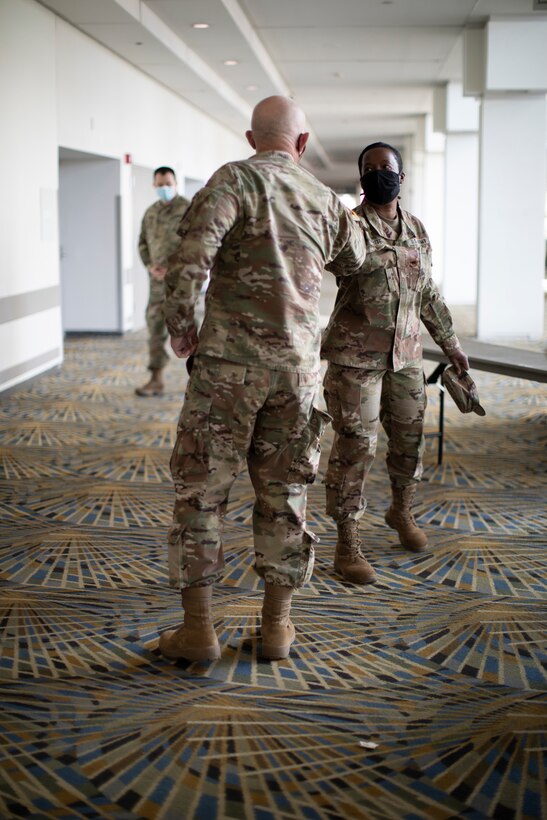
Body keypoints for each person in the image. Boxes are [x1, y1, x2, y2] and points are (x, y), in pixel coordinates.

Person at [158, 96, 367, 662]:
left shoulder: (233, 181)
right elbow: (357, 267)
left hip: (228, 368)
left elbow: (188, 262)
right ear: (302, 145)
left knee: (201, 492)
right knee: (286, 493)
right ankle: (277, 627)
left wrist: (183, 330)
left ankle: (199, 631)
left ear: (252, 140)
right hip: (296, 374)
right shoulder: (325, 200)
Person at [321, 141, 469, 584]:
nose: (378, 174)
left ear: (401, 178)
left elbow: (427, 293)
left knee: (409, 439)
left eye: (386, 168)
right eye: (369, 168)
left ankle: (400, 510)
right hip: (355, 360)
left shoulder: (417, 230)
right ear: (362, 177)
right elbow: (328, 264)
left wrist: (452, 344)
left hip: (405, 357)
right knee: (355, 446)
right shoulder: (348, 228)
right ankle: (347, 540)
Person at [136, 167, 190, 396]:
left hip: (184, 284)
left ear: (175, 183)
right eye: (160, 185)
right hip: (157, 285)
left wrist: (173, 267)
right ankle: (156, 379)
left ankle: (199, 383)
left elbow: (196, 245)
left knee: (192, 332)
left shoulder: (188, 209)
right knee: (155, 330)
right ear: (154, 186)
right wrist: (150, 266)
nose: (164, 188)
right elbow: (142, 244)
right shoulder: (150, 213)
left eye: (168, 184)